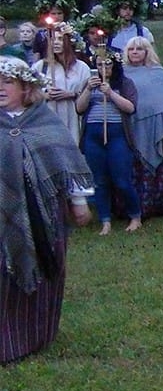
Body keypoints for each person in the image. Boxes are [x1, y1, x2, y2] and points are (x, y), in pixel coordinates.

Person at [0, 58, 93, 364]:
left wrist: (79, 204)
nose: (0, 88)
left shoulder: (44, 120)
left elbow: (66, 161)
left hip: (44, 214)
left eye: (7, 82)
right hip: (3, 216)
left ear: (26, 87)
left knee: (45, 268)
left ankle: (37, 333)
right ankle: (7, 340)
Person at [75, 51, 141, 234]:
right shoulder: (89, 84)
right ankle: (105, 221)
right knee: (100, 180)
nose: (103, 68)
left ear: (115, 66)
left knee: (122, 180)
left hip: (117, 135)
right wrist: (88, 90)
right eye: (99, 65)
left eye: (107, 65)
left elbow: (130, 107)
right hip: (93, 136)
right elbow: (79, 108)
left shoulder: (125, 84)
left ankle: (135, 216)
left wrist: (110, 93)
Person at [122, 37, 163, 219]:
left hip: (153, 129)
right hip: (130, 128)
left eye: (139, 49)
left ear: (147, 52)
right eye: (131, 49)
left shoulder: (157, 71)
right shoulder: (121, 74)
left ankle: (158, 206)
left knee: (155, 166)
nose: (135, 52)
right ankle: (132, 207)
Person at [31, 24, 90, 145]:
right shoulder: (41, 66)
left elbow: (89, 95)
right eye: (52, 40)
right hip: (47, 120)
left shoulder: (81, 67)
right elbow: (28, 94)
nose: (55, 43)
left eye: (60, 39)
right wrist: (45, 96)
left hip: (72, 119)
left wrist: (71, 94)